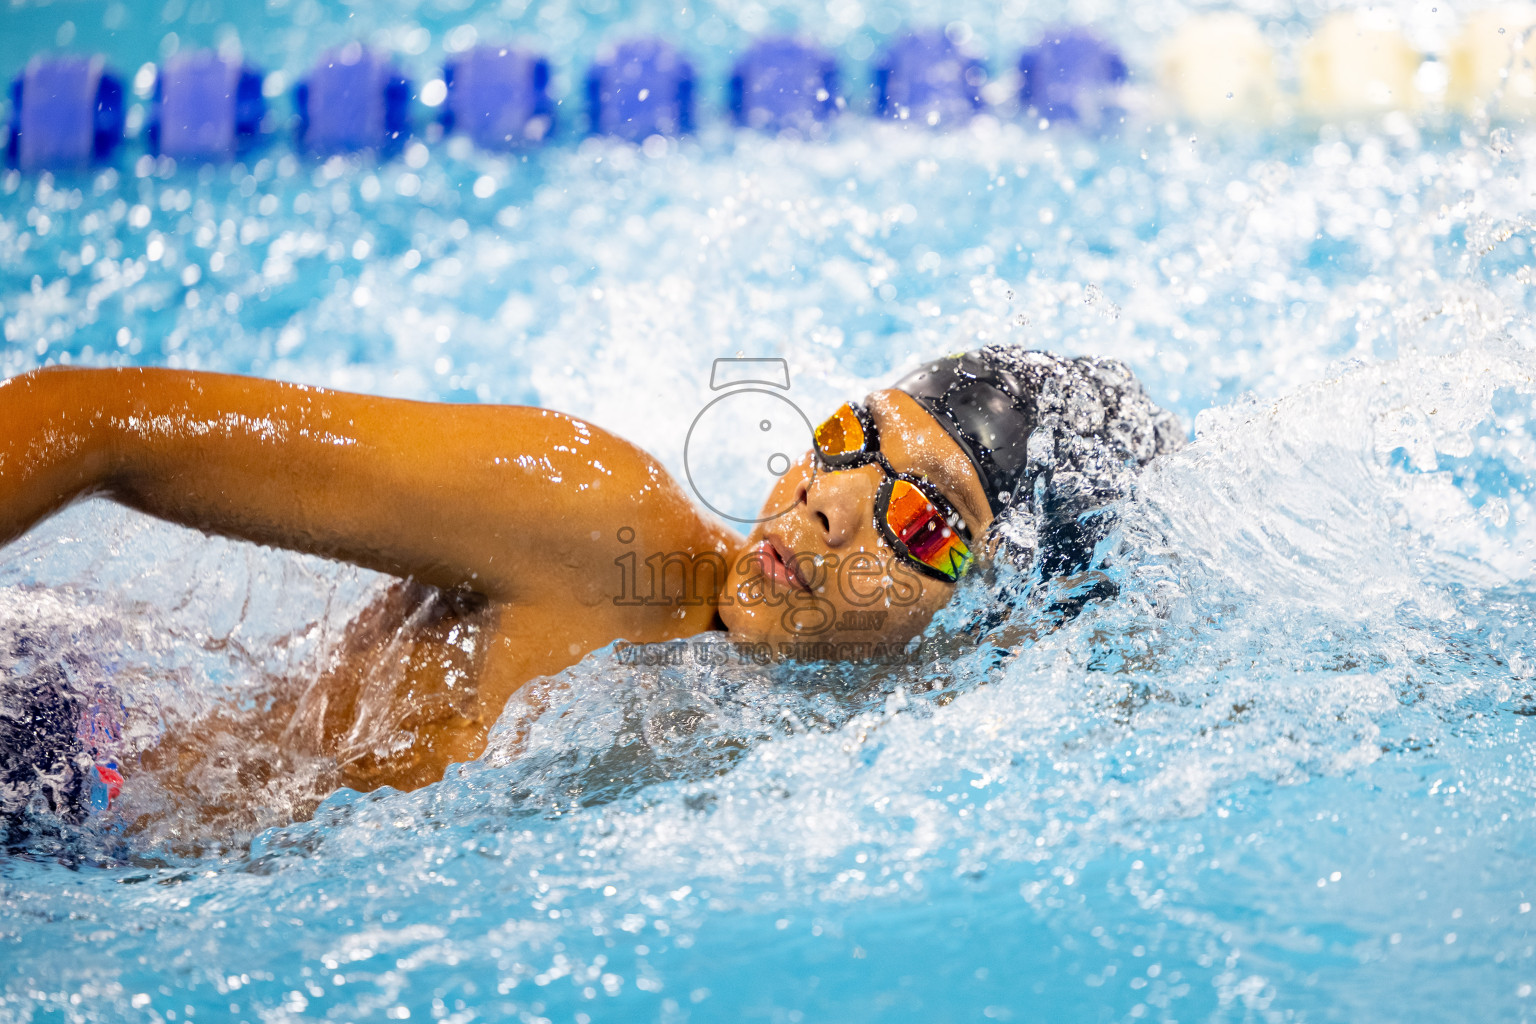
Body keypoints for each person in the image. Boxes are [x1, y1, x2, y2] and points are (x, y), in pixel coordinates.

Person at [0, 346, 1182, 834]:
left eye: (918, 518)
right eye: (845, 437)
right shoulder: (599, 522)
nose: (827, 500)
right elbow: (83, 421)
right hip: (66, 775)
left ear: (986, 617)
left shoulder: (884, 752)